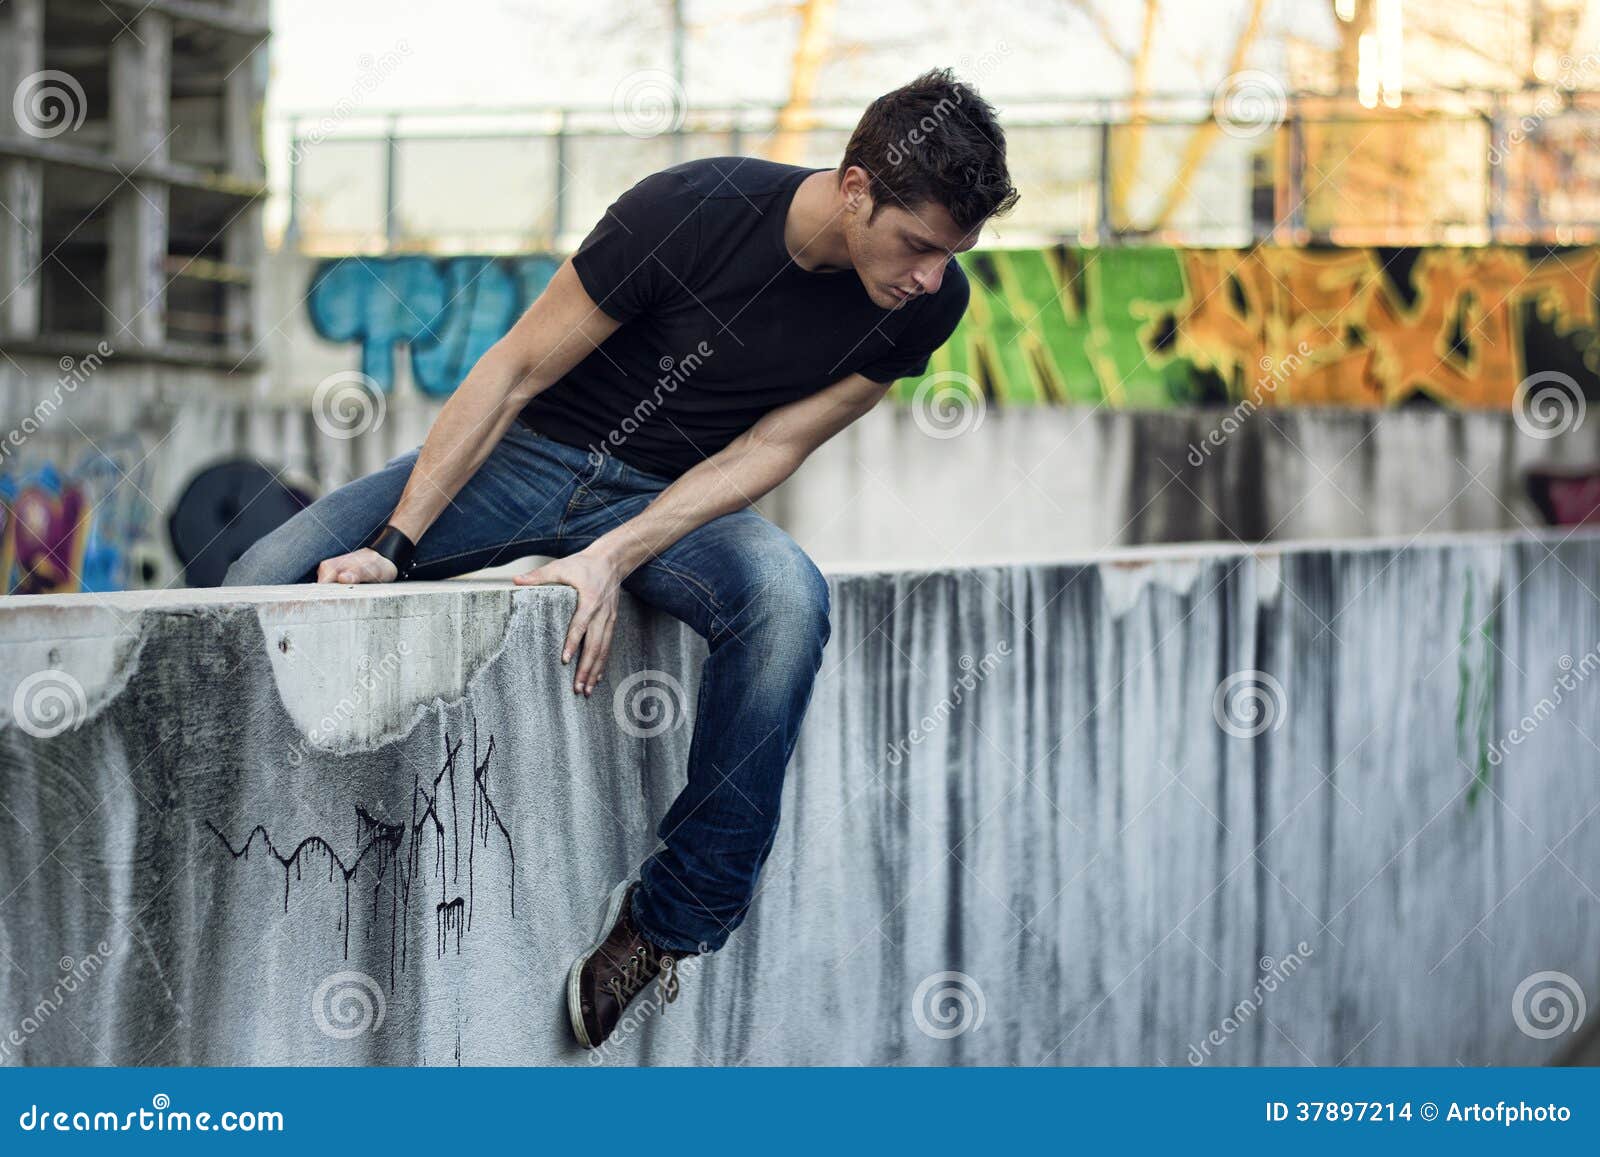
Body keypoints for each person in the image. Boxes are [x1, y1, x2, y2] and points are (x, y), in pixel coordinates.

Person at [224, 66, 1019, 1049]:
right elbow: (512, 372)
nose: (932, 277)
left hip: (673, 500)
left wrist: (611, 552)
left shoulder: (922, 304)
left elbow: (769, 449)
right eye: (918, 246)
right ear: (855, 188)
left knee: (785, 596)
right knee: (259, 573)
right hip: (526, 456)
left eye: (952, 254)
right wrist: (396, 544)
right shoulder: (690, 210)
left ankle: (665, 924)